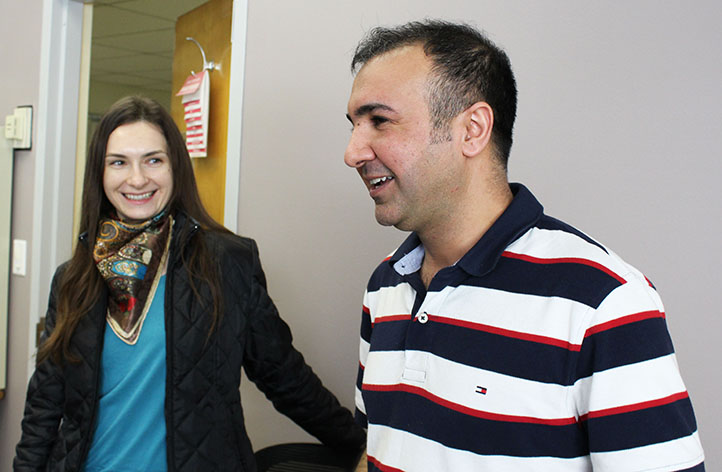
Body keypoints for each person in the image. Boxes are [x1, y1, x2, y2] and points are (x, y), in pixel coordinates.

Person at [344, 20, 704, 471]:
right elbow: (380, 444)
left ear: (473, 129)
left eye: (379, 121)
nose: (352, 151)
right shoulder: (385, 285)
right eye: (354, 125)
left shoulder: (605, 303)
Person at [14, 96, 365, 471]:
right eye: (119, 162)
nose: (137, 178)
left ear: (175, 167)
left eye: (153, 160)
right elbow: (44, 407)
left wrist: (365, 446)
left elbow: (284, 376)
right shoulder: (73, 279)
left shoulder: (226, 262)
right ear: (100, 175)